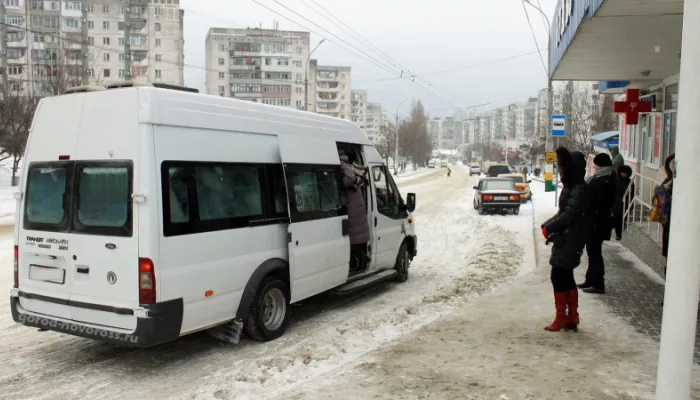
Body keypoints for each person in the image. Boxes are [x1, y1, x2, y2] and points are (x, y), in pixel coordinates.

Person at [541, 147, 590, 332]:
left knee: (559, 276)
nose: (561, 171)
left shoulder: (578, 189)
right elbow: (562, 212)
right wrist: (547, 225)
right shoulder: (572, 186)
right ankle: (571, 317)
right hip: (567, 237)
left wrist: (550, 227)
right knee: (566, 277)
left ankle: (562, 317)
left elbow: (568, 215)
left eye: (563, 168)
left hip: (572, 238)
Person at [578, 153, 616, 294]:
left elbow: (596, 201)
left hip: (597, 222)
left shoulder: (604, 180)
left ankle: (598, 283)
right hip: (594, 221)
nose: (593, 166)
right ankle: (590, 280)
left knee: (595, 253)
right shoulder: (602, 178)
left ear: (600, 165)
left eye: (595, 163)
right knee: (592, 252)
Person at [339, 150, 371, 273]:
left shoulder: (342, 165)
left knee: (352, 240)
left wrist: (339, 184)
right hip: (356, 203)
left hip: (353, 206)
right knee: (354, 239)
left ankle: (363, 260)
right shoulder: (347, 164)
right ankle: (360, 262)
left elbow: (350, 178)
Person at [661, 153, 676, 277]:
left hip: (672, 222)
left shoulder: (672, 183)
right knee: (669, 252)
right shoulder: (668, 181)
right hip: (668, 221)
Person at [612, 165, 635, 240]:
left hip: (625, 203)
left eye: (625, 173)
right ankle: (618, 234)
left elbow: (632, 194)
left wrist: (631, 205)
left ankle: (620, 234)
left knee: (622, 219)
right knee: (616, 219)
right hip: (616, 203)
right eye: (622, 173)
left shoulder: (630, 182)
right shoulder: (616, 180)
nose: (623, 174)